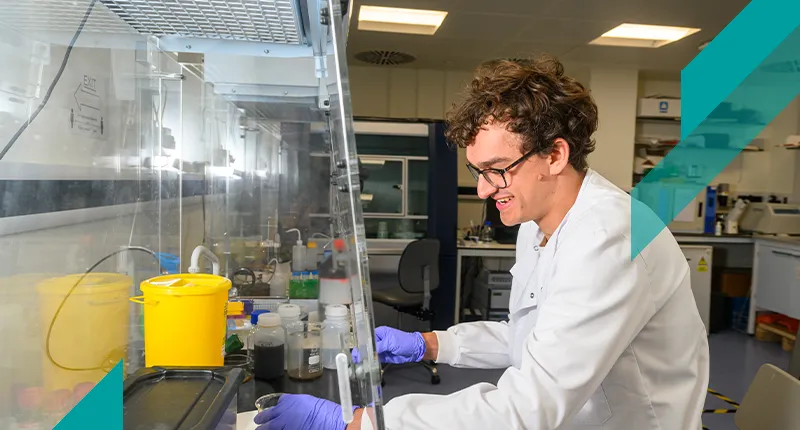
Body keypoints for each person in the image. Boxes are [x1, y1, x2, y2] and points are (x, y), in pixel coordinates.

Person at [254, 55, 710, 430]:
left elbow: (528, 408)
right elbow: (528, 337)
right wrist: (430, 345)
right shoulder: (537, 222)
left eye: (497, 169)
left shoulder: (609, 237)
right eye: (477, 171)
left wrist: (364, 423)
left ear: (555, 154)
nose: (485, 190)